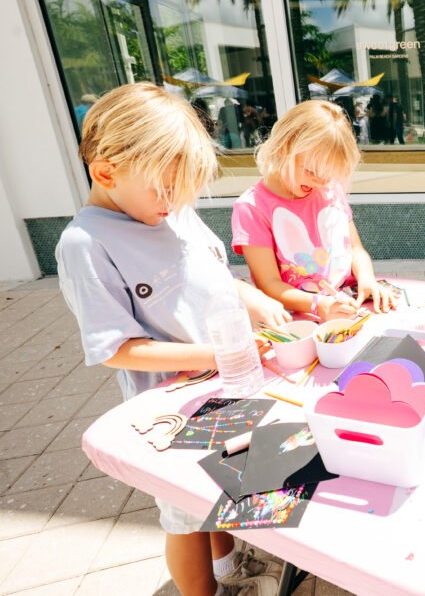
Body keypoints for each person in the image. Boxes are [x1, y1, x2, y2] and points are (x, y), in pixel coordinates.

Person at [55, 83, 288, 596]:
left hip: (227, 384)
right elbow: (116, 349)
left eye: (183, 191)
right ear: (106, 172)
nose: (176, 202)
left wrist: (257, 301)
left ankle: (230, 567)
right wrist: (219, 354)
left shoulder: (169, 209)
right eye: (165, 190)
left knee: (226, 486)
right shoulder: (85, 244)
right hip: (172, 409)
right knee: (185, 515)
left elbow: (213, 274)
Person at [232, 100, 397, 319]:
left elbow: (355, 249)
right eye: (311, 171)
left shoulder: (329, 189)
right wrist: (319, 305)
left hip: (348, 303)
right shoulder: (252, 208)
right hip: (300, 316)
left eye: (328, 174)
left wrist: (366, 278)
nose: (320, 182)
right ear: (283, 149)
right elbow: (269, 284)